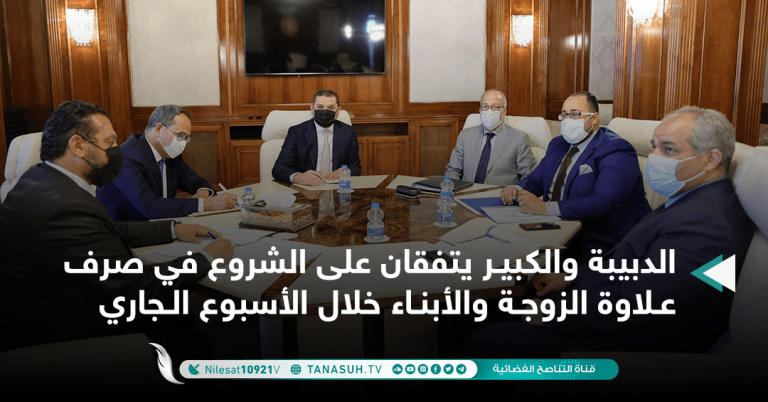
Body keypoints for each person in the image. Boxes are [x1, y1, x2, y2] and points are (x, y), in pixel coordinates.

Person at [466, 106, 754, 357]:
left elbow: (639, 307)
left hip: (618, 343)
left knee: (483, 339)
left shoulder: (708, 225)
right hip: (596, 301)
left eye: (668, 150)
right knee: (490, 306)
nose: (654, 158)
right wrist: (572, 276)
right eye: (654, 147)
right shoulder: (693, 200)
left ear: (711, 159)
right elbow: (632, 266)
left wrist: (554, 315)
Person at [0, 100, 234, 351]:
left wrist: (173, 229)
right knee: (196, 345)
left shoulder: (41, 179)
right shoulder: (65, 205)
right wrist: (206, 259)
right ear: (78, 145)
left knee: (175, 314)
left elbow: (109, 229)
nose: (117, 153)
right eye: (110, 143)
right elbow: (132, 284)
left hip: (67, 300)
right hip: (62, 333)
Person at [501, 91, 651, 259]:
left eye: (574, 114)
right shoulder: (558, 144)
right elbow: (537, 179)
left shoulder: (616, 149)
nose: (567, 120)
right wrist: (516, 187)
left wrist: (545, 208)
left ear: (594, 119)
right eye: (564, 115)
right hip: (553, 227)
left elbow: (604, 201)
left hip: (601, 239)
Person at [96, 105, 237, 221]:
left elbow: (195, 181)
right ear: (158, 129)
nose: (183, 143)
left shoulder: (170, 154)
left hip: (159, 225)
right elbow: (150, 207)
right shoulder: (125, 158)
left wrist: (203, 193)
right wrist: (205, 204)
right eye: (180, 135)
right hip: (125, 234)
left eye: (186, 138)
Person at [445, 90, 537, 186]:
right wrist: (451, 190)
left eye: (495, 107)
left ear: (504, 112)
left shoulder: (519, 139)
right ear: (480, 111)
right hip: (466, 192)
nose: (489, 111)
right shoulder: (465, 135)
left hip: (500, 194)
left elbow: (530, 175)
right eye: (485, 106)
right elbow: (453, 170)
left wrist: (515, 190)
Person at [271, 89, 361, 186]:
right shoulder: (296, 132)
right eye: (320, 107)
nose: (325, 111)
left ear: (338, 111)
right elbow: (279, 169)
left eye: (330, 107)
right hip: (306, 187)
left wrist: (346, 172)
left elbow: (356, 168)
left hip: (337, 187)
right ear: (312, 109)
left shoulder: (348, 132)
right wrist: (297, 177)